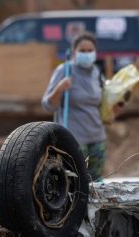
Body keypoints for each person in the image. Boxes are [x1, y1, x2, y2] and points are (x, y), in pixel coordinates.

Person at [42, 32, 114, 182]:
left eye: (90, 51)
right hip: (74, 139)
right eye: (82, 51)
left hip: (97, 138)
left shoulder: (96, 72)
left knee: (96, 182)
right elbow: (48, 105)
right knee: (75, 181)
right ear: (74, 51)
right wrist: (59, 89)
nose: (87, 54)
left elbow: (102, 104)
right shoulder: (64, 70)